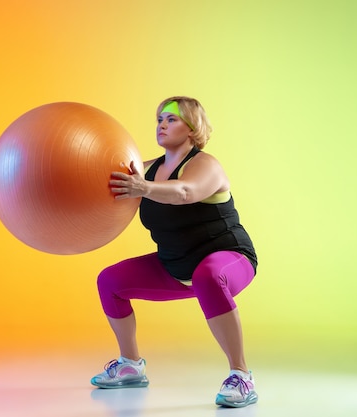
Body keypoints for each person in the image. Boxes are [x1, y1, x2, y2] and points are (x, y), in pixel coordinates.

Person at [90, 96, 258, 408]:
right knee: (109, 281)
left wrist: (144, 189)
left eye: (172, 119)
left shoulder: (206, 165)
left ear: (192, 128)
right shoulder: (146, 170)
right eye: (159, 119)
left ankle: (241, 375)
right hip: (176, 267)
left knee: (208, 275)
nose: (162, 125)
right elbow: (106, 185)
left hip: (230, 258)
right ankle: (130, 364)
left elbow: (185, 192)